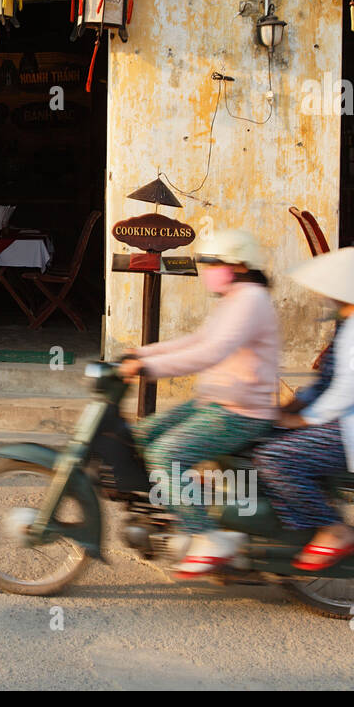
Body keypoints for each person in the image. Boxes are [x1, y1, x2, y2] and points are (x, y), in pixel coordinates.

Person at [117, 229, 280, 577]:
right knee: (141, 435)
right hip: (216, 404)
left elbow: (211, 352)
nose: (205, 268)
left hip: (241, 412)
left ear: (236, 265)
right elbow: (199, 339)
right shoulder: (234, 298)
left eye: (211, 262)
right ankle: (186, 506)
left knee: (166, 455)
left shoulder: (250, 299)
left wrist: (148, 367)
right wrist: (138, 353)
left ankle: (206, 537)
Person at [255, 247, 354, 570]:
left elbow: (351, 387)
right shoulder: (350, 325)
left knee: (274, 458)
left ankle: (333, 529)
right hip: (341, 421)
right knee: (259, 436)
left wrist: (304, 418)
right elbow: (327, 382)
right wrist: (296, 403)